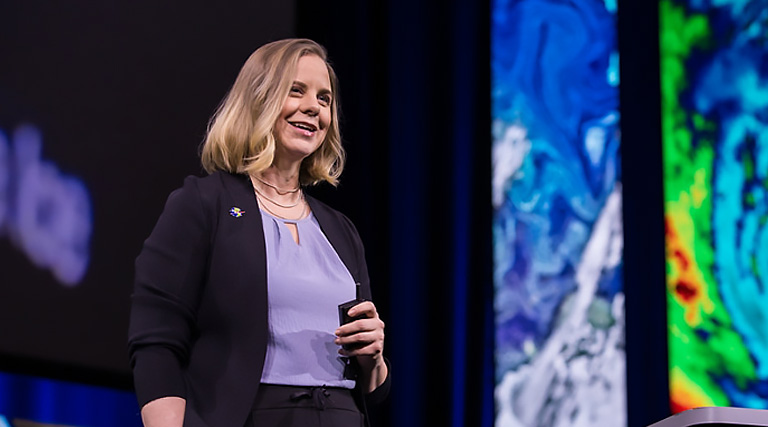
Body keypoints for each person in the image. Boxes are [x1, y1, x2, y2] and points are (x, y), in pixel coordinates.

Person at [127, 38, 389, 427]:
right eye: (295, 90)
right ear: (258, 98)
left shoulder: (341, 230)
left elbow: (375, 389)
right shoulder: (203, 204)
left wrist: (375, 358)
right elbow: (156, 344)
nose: (313, 107)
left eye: (324, 98)